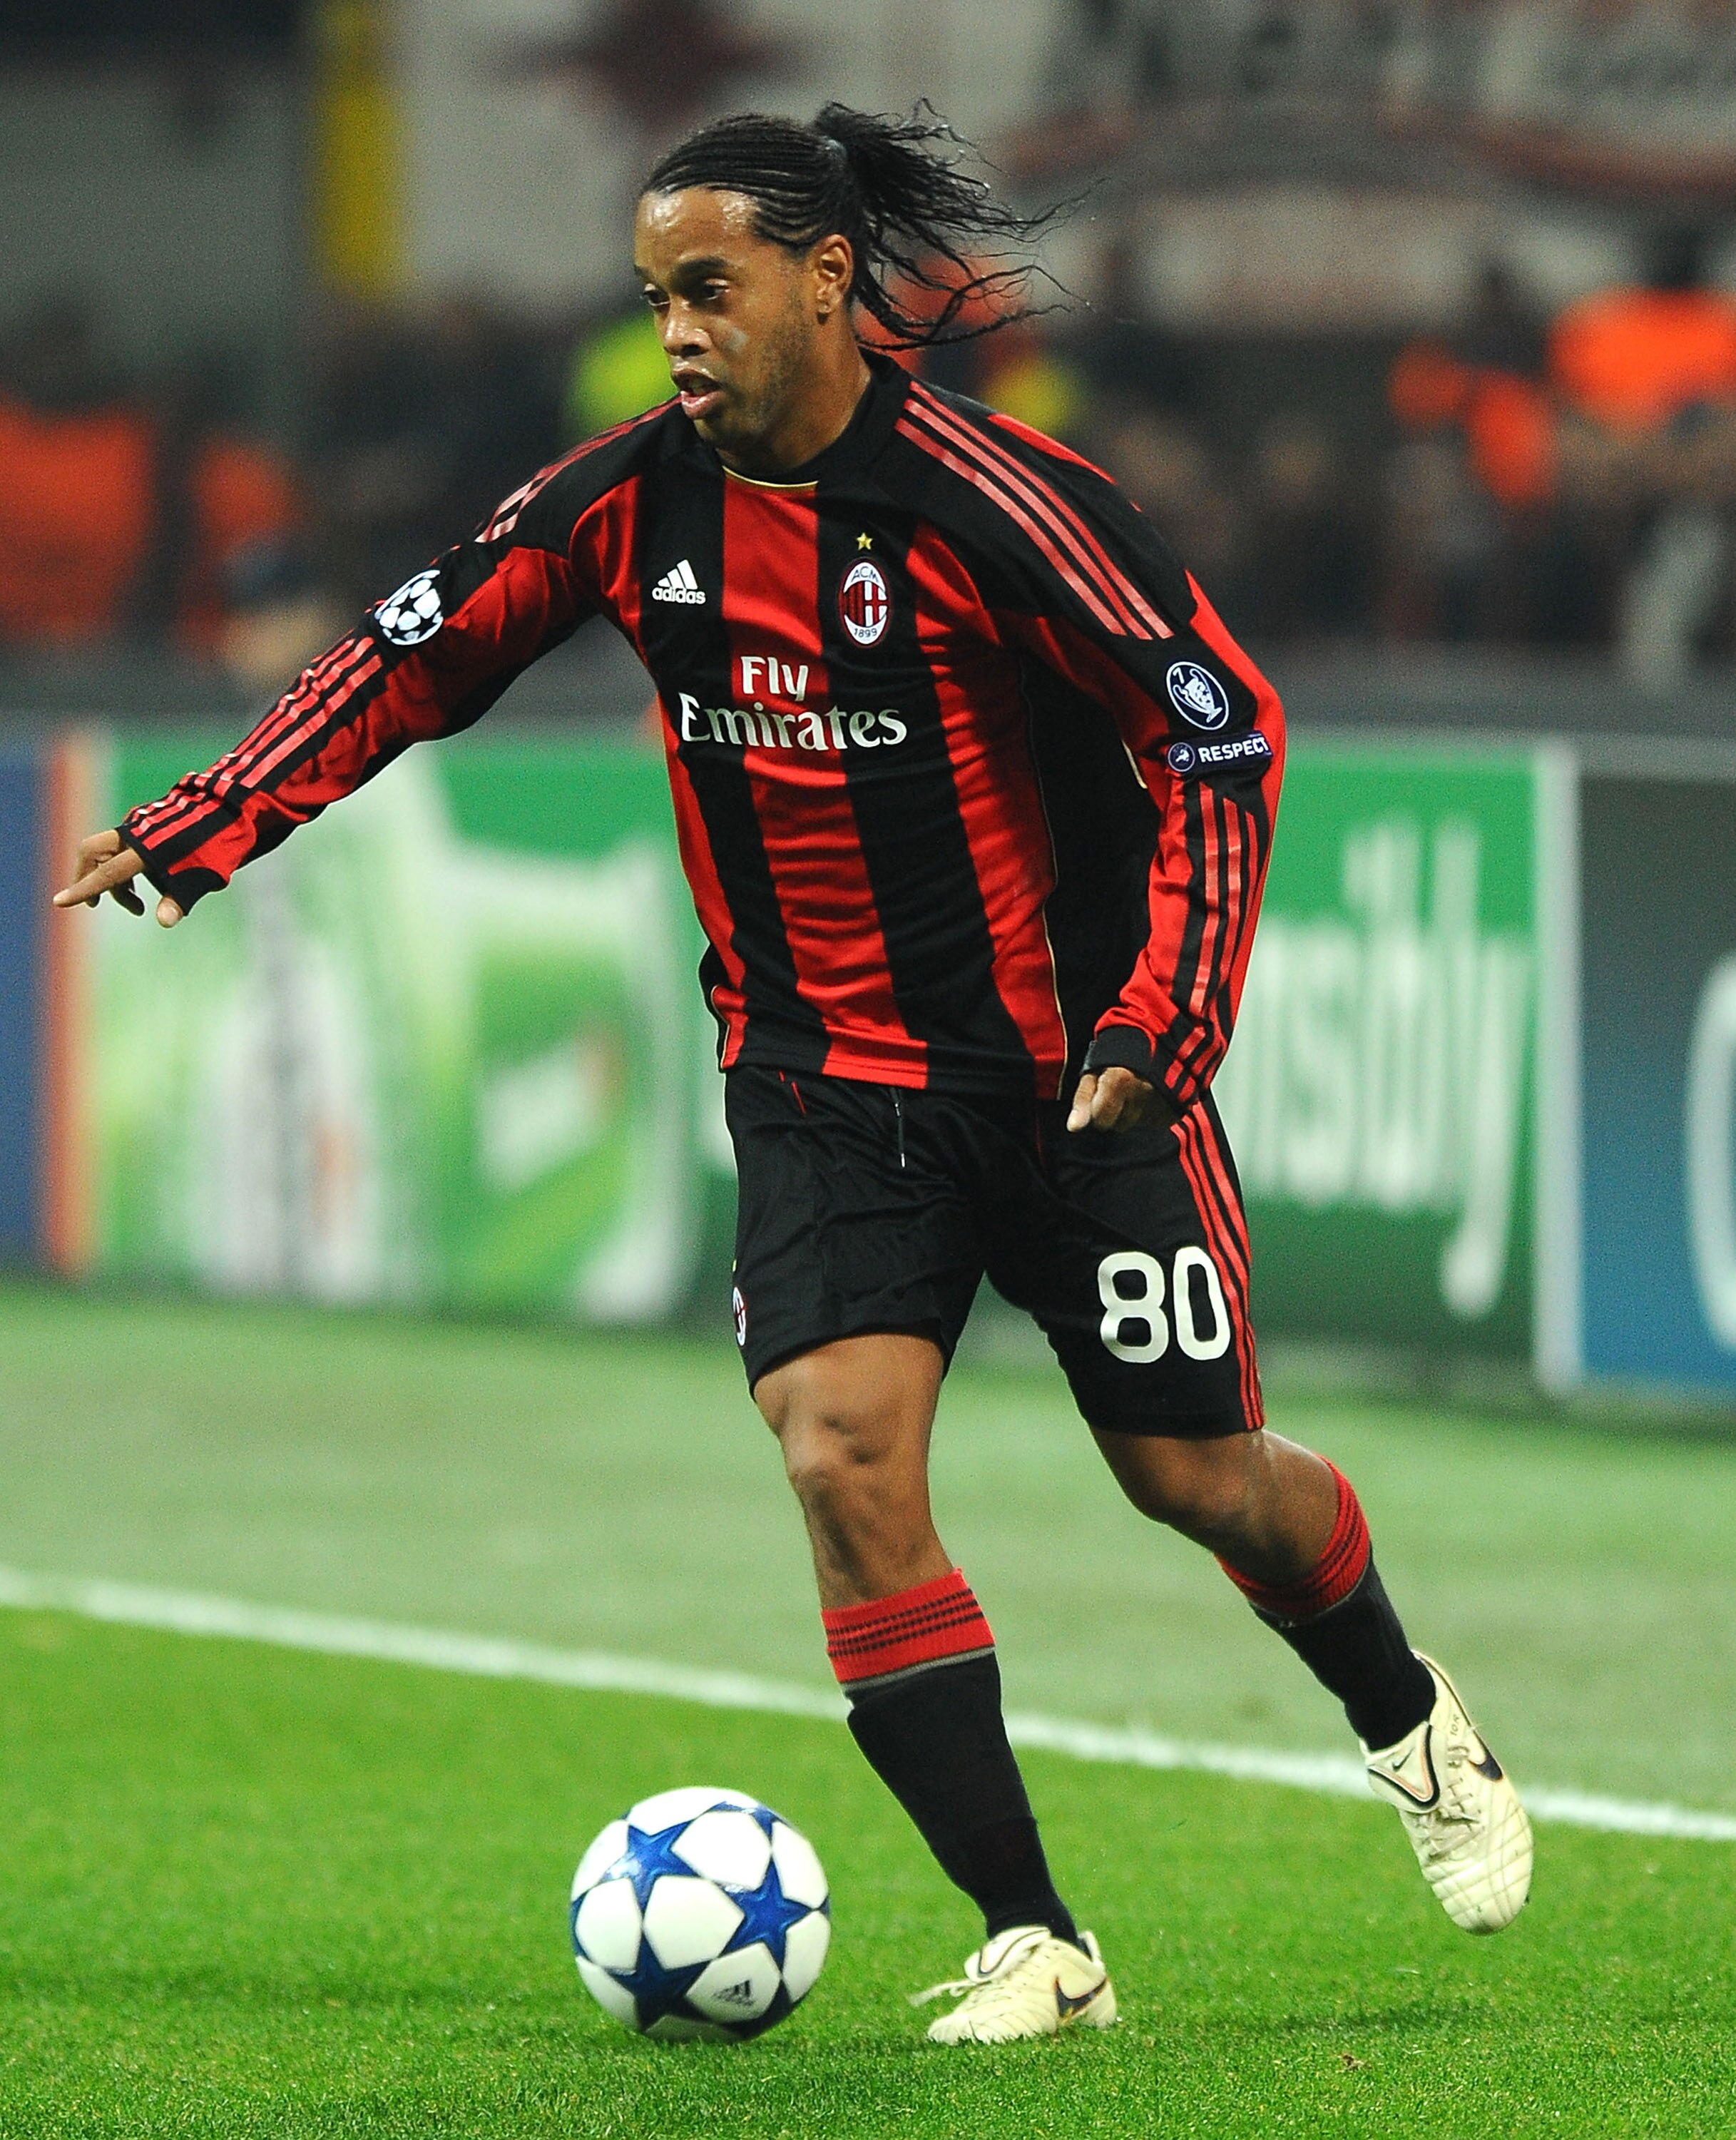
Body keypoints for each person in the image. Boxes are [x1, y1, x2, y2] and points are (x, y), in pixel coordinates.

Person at [55, 104, 1533, 2044]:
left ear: (826, 282)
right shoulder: (619, 501)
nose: (673, 330)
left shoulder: (998, 501)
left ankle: (1404, 1714)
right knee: (841, 1459)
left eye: (708, 287)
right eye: (653, 293)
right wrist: (208, 822)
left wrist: (1160, 1022)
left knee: (1196, 1474)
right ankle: (1038, 1935)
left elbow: (1218, 735)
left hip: (1071, 1079)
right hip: (819, 1080)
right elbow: (408, 656)